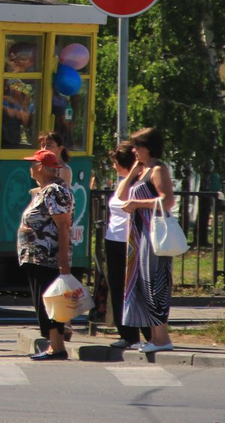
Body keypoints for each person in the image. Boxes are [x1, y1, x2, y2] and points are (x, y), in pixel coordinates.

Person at [117, 127, 176, 354]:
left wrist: (138, 204)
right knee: (143, 284)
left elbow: (167, 200)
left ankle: (162, 338)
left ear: (147, 148)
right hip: (139, 236)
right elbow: (122, 194)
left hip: (153, 234)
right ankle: (154, 337)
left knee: (154, 284)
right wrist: (133, 172)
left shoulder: (158, 170)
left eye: (137, 147)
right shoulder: (142, 171)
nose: (134, 150)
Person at [18, 148, 74, 361]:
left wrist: (62, 260)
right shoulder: (47, 189)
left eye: (33, 163)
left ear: (41, 167)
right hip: (38, 257)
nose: (30, 167)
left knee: (50, 303)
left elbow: (63, 224)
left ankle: (56, 347)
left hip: (47, 257)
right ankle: (54, 345)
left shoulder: (54, 191)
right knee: (47, 302)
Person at [105, 142, 150, 349]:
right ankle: (127, 334)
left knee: (134, 287)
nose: (113, 166)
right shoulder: (124, 181)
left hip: (130, 242)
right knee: (117, 288)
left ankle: (146, 332)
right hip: (114, 240)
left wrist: (132, 173)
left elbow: (123, 198)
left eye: (115, 163)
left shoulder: (138, 183)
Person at [1, 42, 37, 147]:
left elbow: (25, 118)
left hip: (12, 136)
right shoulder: (11, 82)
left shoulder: (25, 85)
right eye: (12, 61)